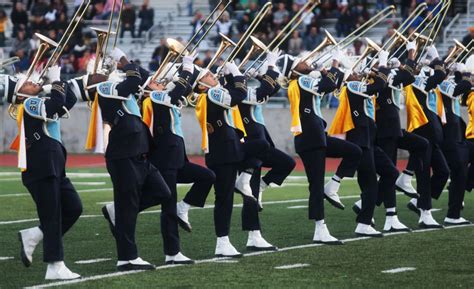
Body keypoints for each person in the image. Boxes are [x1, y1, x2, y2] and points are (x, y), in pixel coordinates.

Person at [71, 48, 174, 270]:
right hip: (123, 156)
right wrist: (123, 60)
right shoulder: (106, 88)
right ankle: (127, 257)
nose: (106, 72)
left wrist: (124, 63)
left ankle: (117, 211)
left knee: (162, 192)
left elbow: (145, 77)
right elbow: (135, 79)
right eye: (99, 71)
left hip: (139, 154)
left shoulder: (118, 87)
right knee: (128, 206)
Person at [3, 65, 82, 280]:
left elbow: (69, 100)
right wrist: (55, 80)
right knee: (52, 216)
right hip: (41, 165)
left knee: (74, 207)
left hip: (53, 164)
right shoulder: (29, 104)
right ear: (18, 93)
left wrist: (56, 83)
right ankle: (55, 266)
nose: (34, 83)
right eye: (28, 83)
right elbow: (57, 104)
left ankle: (34, 235)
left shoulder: (39, 101)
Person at [139, 54, 215, 256]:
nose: (160, 83)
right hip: (164, 160)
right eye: (155, 82)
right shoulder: (154, 99)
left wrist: (192, 71)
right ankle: (172, 253)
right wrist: (187, 69)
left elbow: (186, 88)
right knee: (168, 207)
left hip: (177, 161)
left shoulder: (163, 99)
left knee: (207, 177)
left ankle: (185, 207)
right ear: (148, 89)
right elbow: (179, 89)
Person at [193, 61, 270, 257]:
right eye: (208, 76)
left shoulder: (214, 93)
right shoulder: (210, 95)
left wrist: (231, 75)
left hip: (232, 149)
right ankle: (222, 241)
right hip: (223, 153)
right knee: (224, 199)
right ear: (202, 85)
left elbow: (233, 90)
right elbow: (238, 95)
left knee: (262, 145)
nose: (213, 76)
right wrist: (236, 73)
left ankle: (245, 177)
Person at [328, 49, 391, 237]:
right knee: (370, 183)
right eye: (355, 72)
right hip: (361, 142)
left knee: (390, 173)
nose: (359, 73)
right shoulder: (352, 88)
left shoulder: (357, 87)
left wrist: (375, 70)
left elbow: (380, 84)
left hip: (370, 141)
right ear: (348, 78)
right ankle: (363, 223)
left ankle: (363, 206)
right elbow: (379, 85)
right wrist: (382, 62)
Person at [237, 50, 295, 250]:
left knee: (287, 163)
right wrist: (269, 66)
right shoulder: (238, 94)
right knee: (249, 194)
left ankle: (262, 186)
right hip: (249, 146)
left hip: (262, 144)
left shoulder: (244, 91)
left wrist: (266, 73)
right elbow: (263, 91)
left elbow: (272, 88)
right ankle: (254, 236)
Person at [397, 45, 450, 228]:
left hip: (432, 136)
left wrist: (437, 60)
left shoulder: (424, 81)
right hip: (422, 133)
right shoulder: (414, 83)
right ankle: (425, 214)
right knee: (423, 176)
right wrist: (435, 57)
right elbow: (440, 74)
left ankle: (418, 202)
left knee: (443, 172)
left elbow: (443, 72)